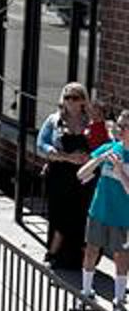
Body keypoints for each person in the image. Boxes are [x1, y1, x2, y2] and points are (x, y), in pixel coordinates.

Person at [76, 111, 129, 311]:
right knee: (90, 251)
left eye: (124, 126)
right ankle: (86, 293)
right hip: (98, 211)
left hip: (122, 218)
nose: (119, 129)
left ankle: (119, 302)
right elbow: (81, 174)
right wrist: (99, 159)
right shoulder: (109, 147)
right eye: (119, 125)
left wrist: (120, 171)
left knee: (121, 258)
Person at [36, 84, 94, 269]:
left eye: (75, 97)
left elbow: (105, 144)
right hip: (60, 174)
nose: (70, 101)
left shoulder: (91, 122)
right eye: (67, 97)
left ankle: (78, 259)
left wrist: (89, 157)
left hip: (84, 176)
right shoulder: (54, 121)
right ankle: (53, 254)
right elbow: (41, 144)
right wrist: (66, 157)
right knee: (59, 215)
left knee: (80, 215)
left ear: (83, 100)